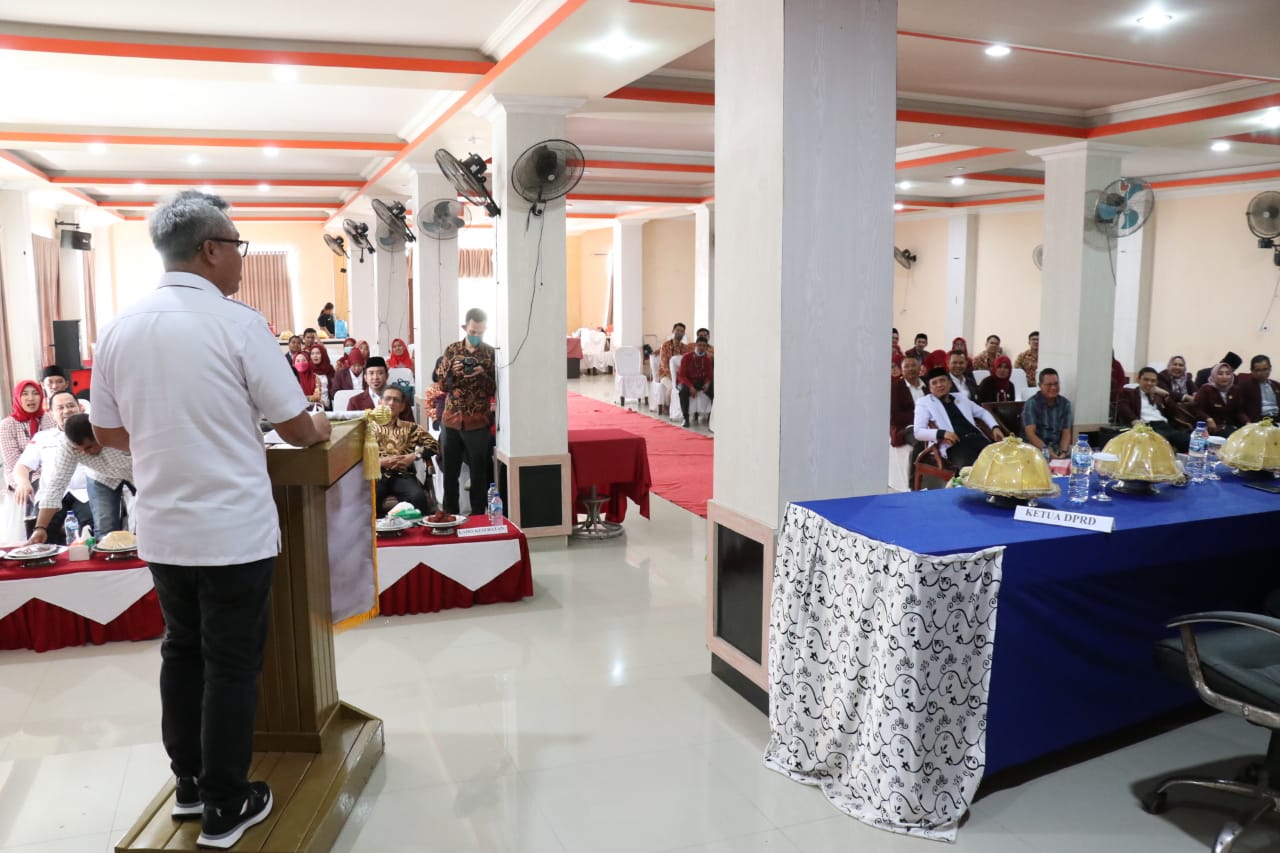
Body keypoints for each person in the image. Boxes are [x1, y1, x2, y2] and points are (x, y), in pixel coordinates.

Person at [90, 190, 331, 849]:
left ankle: (190, 785)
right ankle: (227, 805)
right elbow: (295, 427)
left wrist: (166, 438)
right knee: (230, 663)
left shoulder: (119, 327)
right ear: (210, 249)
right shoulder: (238, 323)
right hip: (231, 529)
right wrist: (318, 425)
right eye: (237, 247)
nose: (242, 260)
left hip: (164, 526)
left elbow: (108, 434)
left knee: (181, 649)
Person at [24, 413, 133, 542]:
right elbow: (56, 485)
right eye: (79, 449)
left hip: (135, 472)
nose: (85, 452)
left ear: (98, 435)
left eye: (89, 447)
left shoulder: (117, 432)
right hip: (101, 477)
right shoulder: (68, 446)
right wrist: (40, 528)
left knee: (146, 517)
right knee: (105, 530)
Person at [11, 391, 93, 544]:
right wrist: (23, 483)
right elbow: (22, 466)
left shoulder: (91, 433)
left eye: (70, 406)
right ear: (51, 414)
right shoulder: (42, 437)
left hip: (85, 493)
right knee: (41, 533)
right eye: (60, 408)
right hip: (51, 495)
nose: (66, 411)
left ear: (80, 407)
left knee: (91, 529)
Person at [439, 308, 497, 516]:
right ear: (465, 328)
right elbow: (441, 386)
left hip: (478, 422)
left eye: (480, 332)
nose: (476, 335)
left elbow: (494, 389)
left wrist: (482, 374)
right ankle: (450, 515)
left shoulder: (490, 353)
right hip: (451, 421)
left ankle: (478, 516)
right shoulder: (452, 350)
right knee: (449, 474)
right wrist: (451, 372)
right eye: (473, 331)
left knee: (479, 474)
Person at [913, 367, 1005, 470]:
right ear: (930, 388)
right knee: (972, 470)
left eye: (942, 380)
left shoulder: (960, 397)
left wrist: (995, 427)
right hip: (955, 445)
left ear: (950, 383)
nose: (939, 385)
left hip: (976, 438)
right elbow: (918, 432)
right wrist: (942, 433)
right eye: (934, 383)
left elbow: (982, 412)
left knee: (1000, 462)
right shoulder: (925, 402)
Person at [372, 384, 440, 517]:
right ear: (380, 402)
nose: (391, 403)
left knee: (418, 497)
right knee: (370, 499)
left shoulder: (411, 428)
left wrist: (414, 456)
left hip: (403, 475)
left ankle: (415, 530)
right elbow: (354, 456)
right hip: (376, 475)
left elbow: (435, 445)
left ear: (402, 407)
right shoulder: (367, 428)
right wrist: (379, 462)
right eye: (387, 399)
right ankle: (380, 529)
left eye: (396, 400)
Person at [1115, 367, 1190, 451]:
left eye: (1153, 381)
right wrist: (1134, 420)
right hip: (1147, 427)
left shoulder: (1159, 395)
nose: (1149, 383)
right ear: (1138, 380)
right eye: (1146, 380)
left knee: (1189, 441)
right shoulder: (1129, 392)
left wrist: (1166, 395)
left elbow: (1175, 412)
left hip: (1165, 426)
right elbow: (1123, 407)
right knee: (1161, 443)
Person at [2, 379, 54, 488]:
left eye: (35, 393)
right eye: (24, 394)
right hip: (23, 477)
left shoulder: (49, 417)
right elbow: (14, 462)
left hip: (51, 472)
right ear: (17, 397)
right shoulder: (7, 425)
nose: (31, 398)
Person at [1021, 368, 1074, 459]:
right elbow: (1030, 434)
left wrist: (1063, 452)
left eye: (1056, 384)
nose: (1053, 388)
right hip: (1036, 451)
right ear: (1040, 385)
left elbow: (1066, 432)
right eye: (1049, 385)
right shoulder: (1031, 404)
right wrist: (1047, 451)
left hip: (1057, 449)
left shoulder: (1065, 404)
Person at [346, 356, 411, 421]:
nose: (375, 377)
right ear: (365, 377)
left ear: (387, 376)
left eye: (380, 373)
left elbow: (410, 425)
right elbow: (351, 426)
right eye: (371, 373)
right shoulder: (355, 402)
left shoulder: (401, 399)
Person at [1193, 363, 1246, 436]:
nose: (1224, 377)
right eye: (1220, 374)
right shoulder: (1206, 389)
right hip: (1211, 429)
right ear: (1214, 375)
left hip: (1231, 427)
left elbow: (1239, 412)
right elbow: (1198, 410)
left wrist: (1247, 422)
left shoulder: (1235, 390)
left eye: (1228, 374)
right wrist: (1208, 419)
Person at [676, 336, 714, 428]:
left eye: (704, 346)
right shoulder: (686, 357)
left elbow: (709, 375)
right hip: (685, 382)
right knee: (683, 391)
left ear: (706, 347)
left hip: (700, 382)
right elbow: (682, 376)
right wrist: (690, 387)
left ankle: (712, 417)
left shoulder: (707, 359)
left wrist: (707, 383)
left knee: (714, 390)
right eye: (700, 345)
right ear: (696, 345)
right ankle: (685, 418)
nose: (702, 347)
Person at [890, 353, 925, 447]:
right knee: (921, 443)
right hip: (907, 428)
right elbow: (895, 416)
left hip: (930, 426)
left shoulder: (928, 385)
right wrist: (922, 418)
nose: (911, 369)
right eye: (907, 366)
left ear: (920, 368)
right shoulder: (895, 388)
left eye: (913, 365)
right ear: (902, 370)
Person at [657, 323, 690, 415]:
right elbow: (664, 365)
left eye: (682, 331)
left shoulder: (685, 347)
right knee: (672, 387)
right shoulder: (665, 345)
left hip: (680, 375)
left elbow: (686, 364)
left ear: (684, 333)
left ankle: (682, 409)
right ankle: (667, 406)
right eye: (677, 330)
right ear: (673, 331)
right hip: (665, 374)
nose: (679, 332)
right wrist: (674, 377)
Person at [1238, 355, 1280, 423]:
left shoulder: (1276, 385)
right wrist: (1247, 422)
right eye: (1258, 370)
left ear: (1270, 368)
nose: (1262, 373)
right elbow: (1239, 410)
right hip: (1258, 421)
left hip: (1277, 419)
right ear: (1252, 371)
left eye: (1265, 369)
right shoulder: (1245, 386)